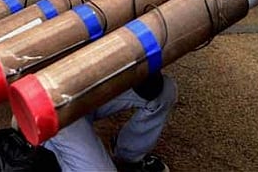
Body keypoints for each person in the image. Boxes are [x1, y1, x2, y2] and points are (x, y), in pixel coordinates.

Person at [43, 72, 176, 172]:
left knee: (164, 91)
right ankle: (56, 153)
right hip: (51, 105)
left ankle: (129, 156)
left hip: (87, 86)